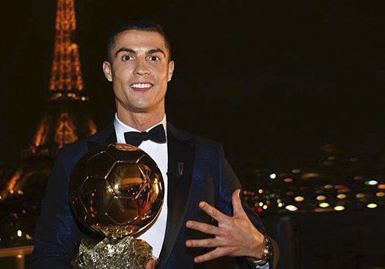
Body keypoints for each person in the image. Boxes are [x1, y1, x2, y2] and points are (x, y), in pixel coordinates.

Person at [31, 18, 279, 268]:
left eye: (153, 58)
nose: (141, 69)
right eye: (127, 58)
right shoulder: (73, 160)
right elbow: (48, 256)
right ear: (108, 71)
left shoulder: (207, 156)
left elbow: (254, 242)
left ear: (169, 71)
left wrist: (259, 250)